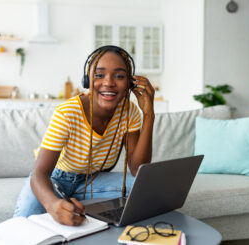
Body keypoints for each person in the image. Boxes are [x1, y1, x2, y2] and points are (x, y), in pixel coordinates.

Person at [13, 45, 155, 226]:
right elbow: (39, 173)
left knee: (145, 188)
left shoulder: (130, 112)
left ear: (130, 83)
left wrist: (149, 115)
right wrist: (53, 204)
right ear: (87, 80)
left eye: (119, 76)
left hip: (92, 180)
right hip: (56, 179)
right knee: (24, 221)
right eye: (99, 75)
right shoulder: (67, 112)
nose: (109, 82)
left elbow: (138, 170)